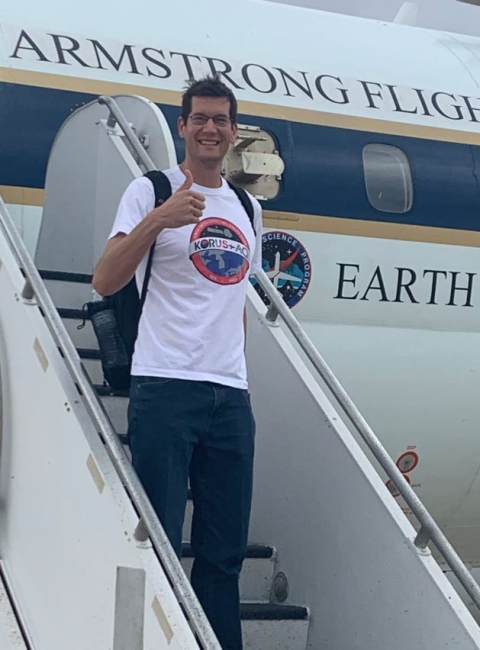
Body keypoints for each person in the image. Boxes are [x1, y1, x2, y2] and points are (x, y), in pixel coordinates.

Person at [92, 76, 263, 650]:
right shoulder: (149, 191)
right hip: (166, 386)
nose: (210, 128)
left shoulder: (246, 207)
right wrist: (160, 219)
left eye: (221, 120)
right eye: (200, 119)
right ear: (182, 126)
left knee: (223, 552)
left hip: (229, 397)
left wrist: (238, 376)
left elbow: (233, 299)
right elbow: (106, 277)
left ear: (232, 131)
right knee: (161, 542)